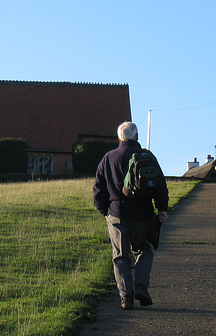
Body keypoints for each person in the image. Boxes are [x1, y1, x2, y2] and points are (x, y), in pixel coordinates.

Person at [93, 121, 169, 310]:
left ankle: (126, 296)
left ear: (119, 137)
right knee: (144, 249)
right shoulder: (148, 157)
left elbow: (98, 189)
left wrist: (105, 211)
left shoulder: (108, 158)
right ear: (136, 136)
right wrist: (162, 209)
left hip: (117, 213)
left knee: (120, 255)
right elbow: (160, 185)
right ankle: (141, 287)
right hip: (143, 213)